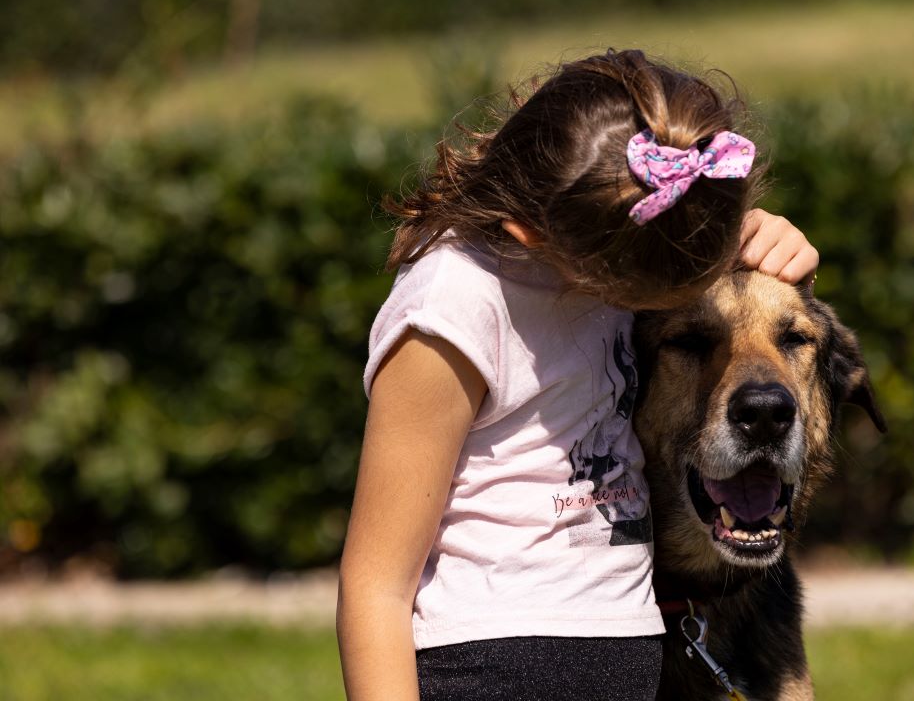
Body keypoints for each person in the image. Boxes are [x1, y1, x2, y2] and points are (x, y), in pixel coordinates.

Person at [336, 49, 818, 701]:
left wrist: (778, 256)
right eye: (654, 280)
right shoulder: (452, 303)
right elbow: (375, 586)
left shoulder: (607, 248)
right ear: (530, 232)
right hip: (488, 670)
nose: (669, 291)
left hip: (623, 655)